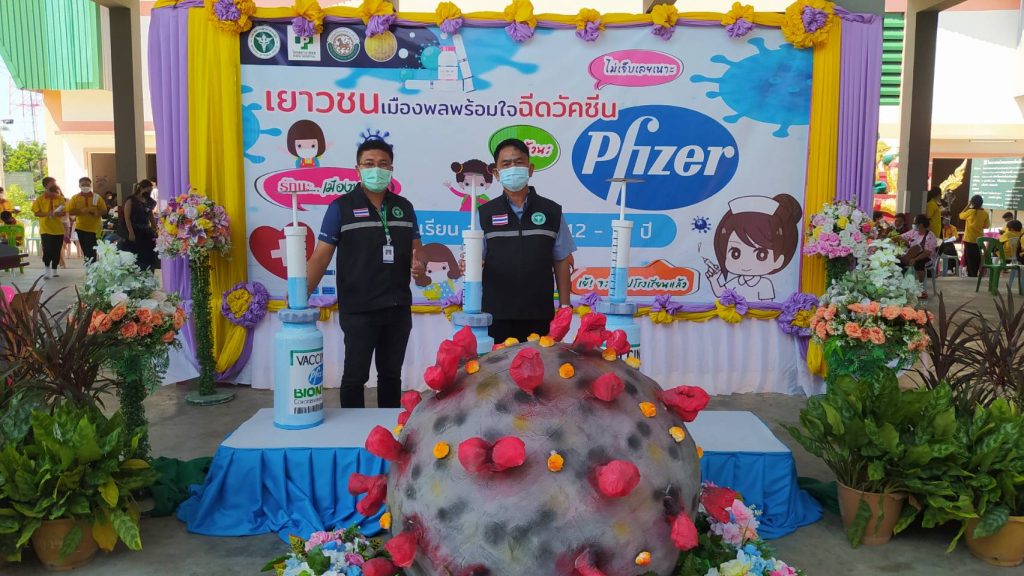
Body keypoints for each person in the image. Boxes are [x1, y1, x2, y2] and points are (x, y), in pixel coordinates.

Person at [306, 139, 423, 409]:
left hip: (397, 307)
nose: (376, 169)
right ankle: (353, 431)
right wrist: (301, 292)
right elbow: (321, 256)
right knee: (354, 377)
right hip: (359, 309)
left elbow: (418, 250)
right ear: (357, 169)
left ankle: (390, 428)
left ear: (391, 169)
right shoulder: (340, 207)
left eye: (383, 164)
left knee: (391, 376)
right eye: (369, 164)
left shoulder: (404, 207)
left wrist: (420, 265)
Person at [477, 138, 576, 342]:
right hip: (496, 315)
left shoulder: (552, 211)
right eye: (506, 164)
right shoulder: (485, 213)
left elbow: (561, 260)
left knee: (539, 363)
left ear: (530, 169)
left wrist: (565, 306)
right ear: (496, 173)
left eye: (519, 162)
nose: (513, 168)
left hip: (539, 314)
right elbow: (475, 260)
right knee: (497, 364)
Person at [705, 194, 803, 302]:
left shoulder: (764, 284)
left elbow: (767, 306)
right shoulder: (736, 282)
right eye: (735, 253)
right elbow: (721, 293)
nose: (746, 262)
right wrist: (713, 280)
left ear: (779, 260)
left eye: (761, 254)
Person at [119, 179, 159, 272]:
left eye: (150, 190)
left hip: (146, 230)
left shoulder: (149, 201)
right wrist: (131, 232)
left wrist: (154, 228)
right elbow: (127, 217)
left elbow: (150, 215)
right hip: (135, 229)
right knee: (136, 254)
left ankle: (148, 271)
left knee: (148, 254)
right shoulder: (131, 200)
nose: (149, 192)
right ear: (141, 188)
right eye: (148, 190)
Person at [31, 181, 67, 278]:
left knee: (56, 250)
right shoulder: (40, 199)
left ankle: (54, 269)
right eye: (51, 188)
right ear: (46, 188)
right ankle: (47, 269)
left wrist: (58, 213)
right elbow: (36, 213)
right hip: (45, 229)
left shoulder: (60, 198)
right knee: (47, 250)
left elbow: (64, 212)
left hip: (58, 229)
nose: (54, 194)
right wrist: (47, 214)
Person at [67, 176, 107, 262]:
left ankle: (92, 266)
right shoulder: (75, 198)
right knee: (85, 250)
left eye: (87, 185)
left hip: (94, 229)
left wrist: (97, 212)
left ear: (90, 185)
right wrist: (80, 211)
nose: (85, 186)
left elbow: (104, 210)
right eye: (83, 185)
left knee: (91, 250)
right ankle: (89, 265)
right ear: (79, 186)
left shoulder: (97, 197)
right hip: (81, 228)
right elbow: (70, 212)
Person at [899, 215, 938, 299]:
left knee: (918, 263)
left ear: (920, 224)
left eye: (914, 223)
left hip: (926, 257)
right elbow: (901, 237)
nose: (913, 224)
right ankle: (903, 285)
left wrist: (915, 259)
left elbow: (927, 253)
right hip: (913, 253)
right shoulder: (913, 232)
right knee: (899, 261)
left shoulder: (930, 236)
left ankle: (920, 288)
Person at [960, 195, 991, 277]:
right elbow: (986, 226)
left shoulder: (970, 211)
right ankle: (975, 273)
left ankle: (971, 274)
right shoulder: (985, 213)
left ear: (972, 203)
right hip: (979, 239)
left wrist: (968, 205)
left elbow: (960, 216)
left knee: (969, 258)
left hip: (969, 239)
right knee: (977, 256)